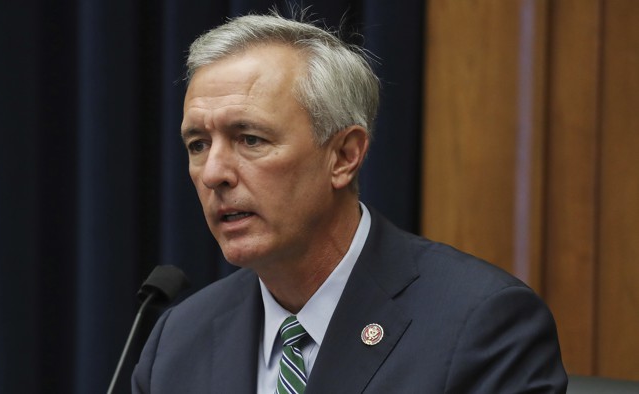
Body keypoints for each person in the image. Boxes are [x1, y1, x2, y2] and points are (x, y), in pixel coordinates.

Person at [132, 11, 567, 394]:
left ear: (343, 156)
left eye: (250, 139)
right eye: (198, 144)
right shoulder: (178, 340)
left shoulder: (481, 325)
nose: (213, 173)